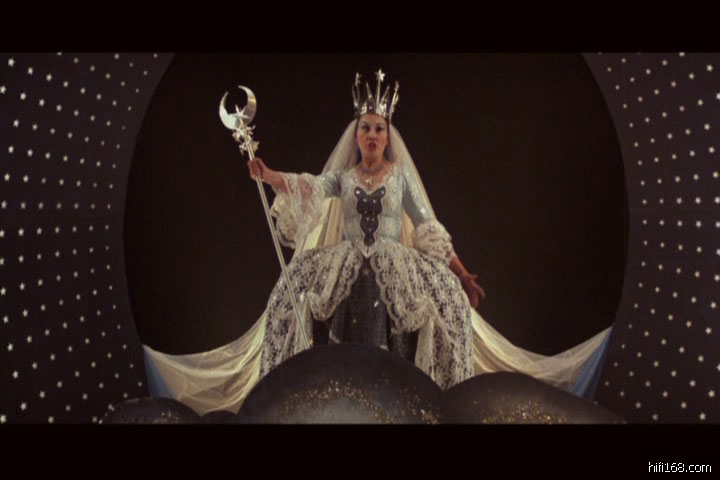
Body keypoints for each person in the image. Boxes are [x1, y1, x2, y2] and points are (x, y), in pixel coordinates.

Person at [247, 70, 485, 389]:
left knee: (444, 300)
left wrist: (462, 274)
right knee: (291, 292)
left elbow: (428, 225)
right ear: (356, 136)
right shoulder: (344, 178)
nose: (372, 134)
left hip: (393, 268)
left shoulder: (400, 176)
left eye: (378, 129)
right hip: (346, 265)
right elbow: (309, 186)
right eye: (365, 128)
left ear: (387, 138)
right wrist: (268, 175)